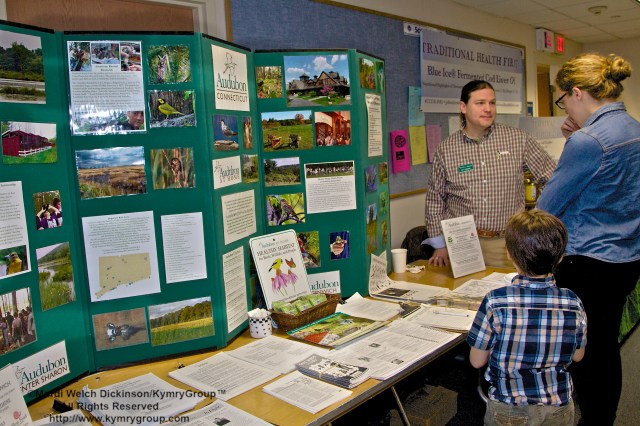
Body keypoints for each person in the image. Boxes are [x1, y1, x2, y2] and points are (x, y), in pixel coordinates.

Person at [536, 53, 640, 426]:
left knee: (587, 354)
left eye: (563, 100)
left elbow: (548, 206)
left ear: (577, 92)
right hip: (626, 258)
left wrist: (574, 143)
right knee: (605, 347)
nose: (565, 108)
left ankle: (595, 419)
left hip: (588, 264)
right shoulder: (633, 128)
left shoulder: (588, 140)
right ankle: (603, 418)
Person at [467, 210, 587, 426]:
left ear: (509, 254)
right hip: (558, 405)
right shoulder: (573, 302)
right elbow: (578, 356)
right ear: (560, 257)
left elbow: (477, 361)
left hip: (508, 406)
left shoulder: (495, 302)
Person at [424, 80, 556, 269]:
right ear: (463, 107)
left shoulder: (518, 140)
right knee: (464, 295)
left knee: (505, 295)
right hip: (461, 244)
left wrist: (536, 219)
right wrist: (439, 245)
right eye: (480, 103)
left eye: (492, 103)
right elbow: (435, 199)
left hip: (506, 245)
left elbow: (551, 179)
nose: (488, 109)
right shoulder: (446, 149)